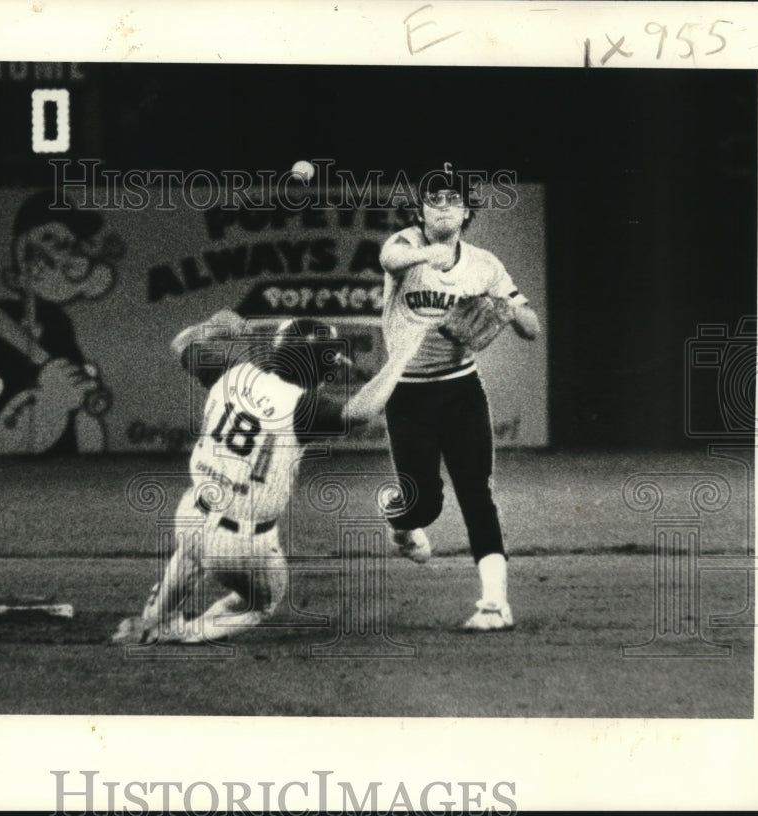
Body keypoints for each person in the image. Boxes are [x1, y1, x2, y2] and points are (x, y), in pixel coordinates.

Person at [113, 310, 419, 645]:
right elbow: (361, 411)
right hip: (242, 543)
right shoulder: (302, 407)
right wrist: (402, 356)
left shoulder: (233, 373)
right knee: (261, 604)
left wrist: (213, 327)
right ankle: (183, 633)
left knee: (189, 556)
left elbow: (183, 342)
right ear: (317, 365)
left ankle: (150, 621)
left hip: (191, 515)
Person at [378, 163, 541, 631]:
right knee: (423, 504)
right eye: (434, 199)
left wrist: (509, 309)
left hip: (460, 390)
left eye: (453, 198)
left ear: (468, 209)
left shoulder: (485, 265)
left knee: (476, 492)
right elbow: (390, 260)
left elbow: (533, 328)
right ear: (421, 210)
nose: (444, 206)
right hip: (407, 394)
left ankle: (495, 604)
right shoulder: (405, 245)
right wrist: (432, 254)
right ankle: (401, 519)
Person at [0, 190, 123, 455]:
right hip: (13, 425)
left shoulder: (59, 321)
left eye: (69, 243)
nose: (64, 254)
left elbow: (74, 374)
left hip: (64, 438)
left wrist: (82, 388)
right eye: (50, 241)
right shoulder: (3, 314)